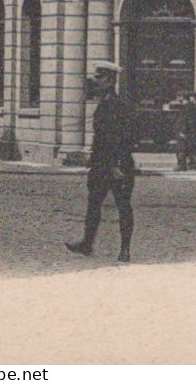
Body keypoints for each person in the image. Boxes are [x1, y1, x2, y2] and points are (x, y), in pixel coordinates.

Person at [66, 61, 138, 263]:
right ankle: (87, 244)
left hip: (116, 166)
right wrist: (94, 157)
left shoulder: (117, 104)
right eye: (96, 77)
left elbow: (122, 137)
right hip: (101, 165)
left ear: (110, 80)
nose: (96, 81)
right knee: (94, 205)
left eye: (100, 77)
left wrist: (115, 164)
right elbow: (102, 136)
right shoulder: (105, 102)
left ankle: (125, 250)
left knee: (123, 206)